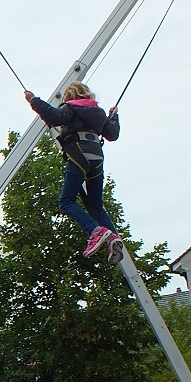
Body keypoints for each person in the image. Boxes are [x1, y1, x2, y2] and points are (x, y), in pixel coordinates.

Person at [24, 82, 122, 262]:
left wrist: (34, 101)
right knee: (96, 204)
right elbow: (112, 134)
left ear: (70, 97)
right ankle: (113, 237)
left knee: (66, 202)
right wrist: (113, 117)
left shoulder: (71, 108)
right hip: (97, 158)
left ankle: (95, 231)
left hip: (79, 154)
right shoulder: (98, 113)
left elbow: (54, 117)